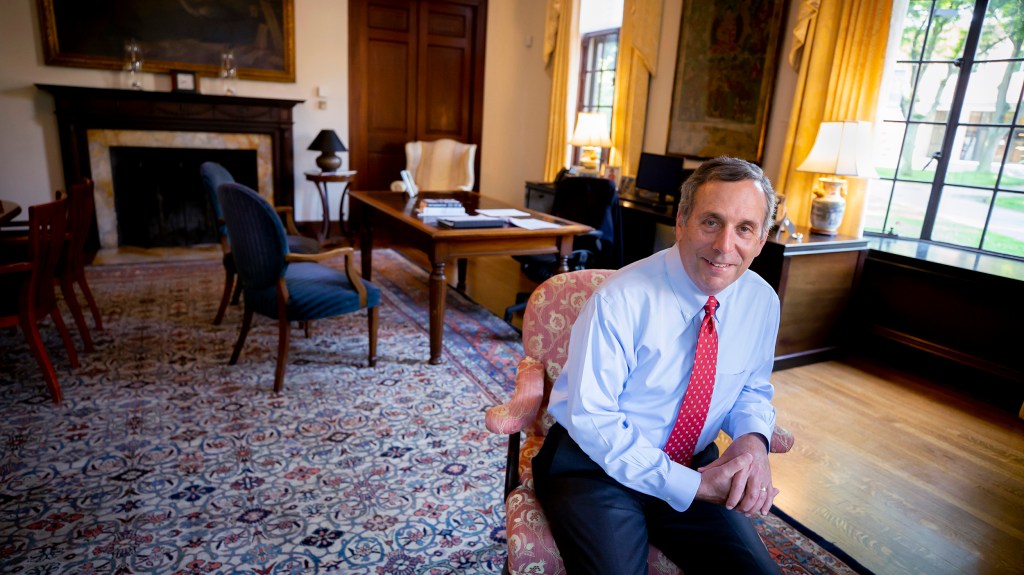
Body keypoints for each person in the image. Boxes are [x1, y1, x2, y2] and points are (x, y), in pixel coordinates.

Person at [533, 156, 783, 574]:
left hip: (692, 461)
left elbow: (752, 389)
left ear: (761, 239)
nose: (725, 246)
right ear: (681, 220)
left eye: (744, 228)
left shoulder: (762, 302)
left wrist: (752, 441)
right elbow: (593, 417)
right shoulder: (620, 300)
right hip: (594, 470)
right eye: (710, 222)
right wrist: (697, 486)